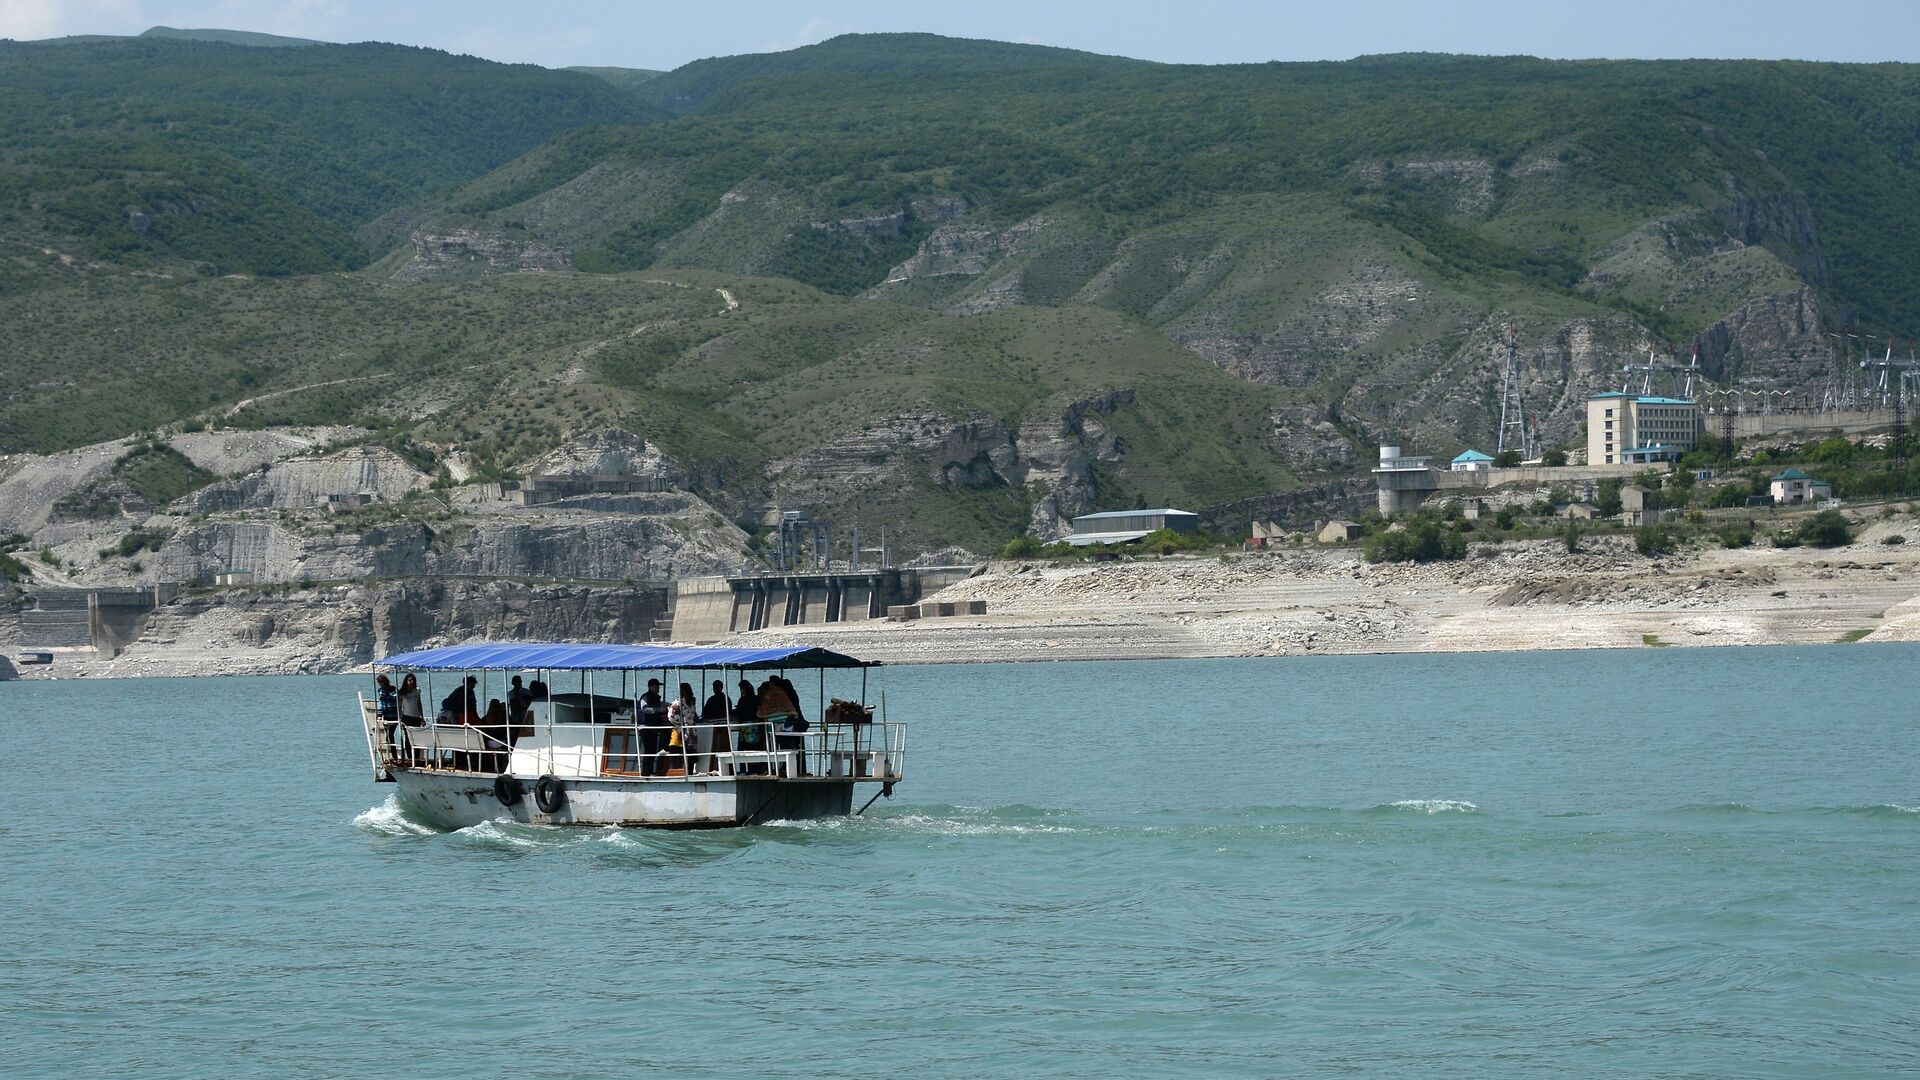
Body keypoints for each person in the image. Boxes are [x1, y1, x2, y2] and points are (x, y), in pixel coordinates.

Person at [667, 682, 700, 775]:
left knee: (683, 751)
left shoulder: (679, 702)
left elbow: (671, 716)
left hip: (684, 730)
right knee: (690, 751)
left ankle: (679, 771)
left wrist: (677, 723)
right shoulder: (692, 701)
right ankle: (689, 772)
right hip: (692, 730)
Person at [733, 679, 765, 772]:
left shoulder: (743, 699)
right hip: (756, 726)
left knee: (742, 749)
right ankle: (756, 769)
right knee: (755, 749)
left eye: (741, 688)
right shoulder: (756, 698)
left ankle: (743, 770)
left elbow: (739, 712)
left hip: (746, 727)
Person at [638, 678, 668, 776]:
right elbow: (644, 709)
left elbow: (660, 705)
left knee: (653, 750)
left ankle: (650, 771)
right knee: (648, 750)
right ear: (650, 686)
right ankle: (645, 773)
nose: (658, 687)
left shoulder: (656, 697)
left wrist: (669, 706)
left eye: (658, 686)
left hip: (654, 727)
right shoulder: (645, 697)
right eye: (656, 686)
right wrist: (659, 710)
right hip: (646, 727)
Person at [701, 680, 731, 773]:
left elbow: (705, 713)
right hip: (721, 726)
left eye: (717, 687)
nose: (716, 689)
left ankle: (718, 767)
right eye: (715, 687)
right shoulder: (724, 699)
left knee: (719, 747)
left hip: (717, 726)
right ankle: (720, 767)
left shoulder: (715, 699)